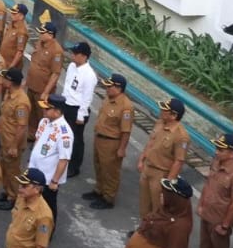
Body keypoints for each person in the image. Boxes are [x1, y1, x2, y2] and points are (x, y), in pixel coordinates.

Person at [84, 73, 132, 210]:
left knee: (110, 171)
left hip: (112, 143)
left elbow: (126, 131)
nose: (107, 88)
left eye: (110, 86)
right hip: (99, 138)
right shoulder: (108, 99)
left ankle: (108, 198)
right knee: (98, 166)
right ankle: (99, 190)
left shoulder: (125, 107)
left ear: (119, 88)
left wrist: (122, 149)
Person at [137, 98, 189, 220]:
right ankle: (143, 230)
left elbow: (179, 161)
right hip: (148, 168)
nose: (161, 111)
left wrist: (167, 185)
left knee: (158, 208)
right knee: (144, 204)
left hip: (160, 174)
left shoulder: (181, 136)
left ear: (174, 115)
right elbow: (151, 142)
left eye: (165, 110)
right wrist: (142, 159)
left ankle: (154, 235)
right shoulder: (160, 123)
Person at [29, 95, 72, 226]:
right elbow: (37, 140)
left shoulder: (65, 133)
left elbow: (64, 159)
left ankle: (47, 232)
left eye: (47, 109)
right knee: (32, 202)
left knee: (47, 207)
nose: (44, 111)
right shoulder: (44, 121)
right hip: (35, 171)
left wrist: (54, 181)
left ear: (57, 112)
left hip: (48, 179)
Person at [0, 68, 29, 211]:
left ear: (11, 81)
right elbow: (4, 117)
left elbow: (21, 126)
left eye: (5, 79)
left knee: (12, 170)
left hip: (12, 141)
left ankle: (13, 197)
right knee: (5, 168)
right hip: (4, 137)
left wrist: (14, 146)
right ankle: (7, 191)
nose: (3, 81)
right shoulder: (9, 94)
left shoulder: (21, 102)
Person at [59, 41, 96, 178]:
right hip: (67, 105)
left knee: (76, 139)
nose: (72, 56)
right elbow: (67, 86)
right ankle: (63, 159)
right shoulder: (72, 67)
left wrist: (81, 115)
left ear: (84, 56)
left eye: (76, 54)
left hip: (77, 109)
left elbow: (87, 97)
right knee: (65, 135)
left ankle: (74, 166)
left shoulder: (89, 75)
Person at [26, 22, 64, 137]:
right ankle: (32, 134)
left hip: (42, 89)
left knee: (42, 115)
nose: (40, 34)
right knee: (31, 112)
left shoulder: (57, 51)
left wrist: (46, 92)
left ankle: (43, 137)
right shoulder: (40, 43)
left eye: (43, 33)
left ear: (51, 35)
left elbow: (55, 73)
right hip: (32, 85)